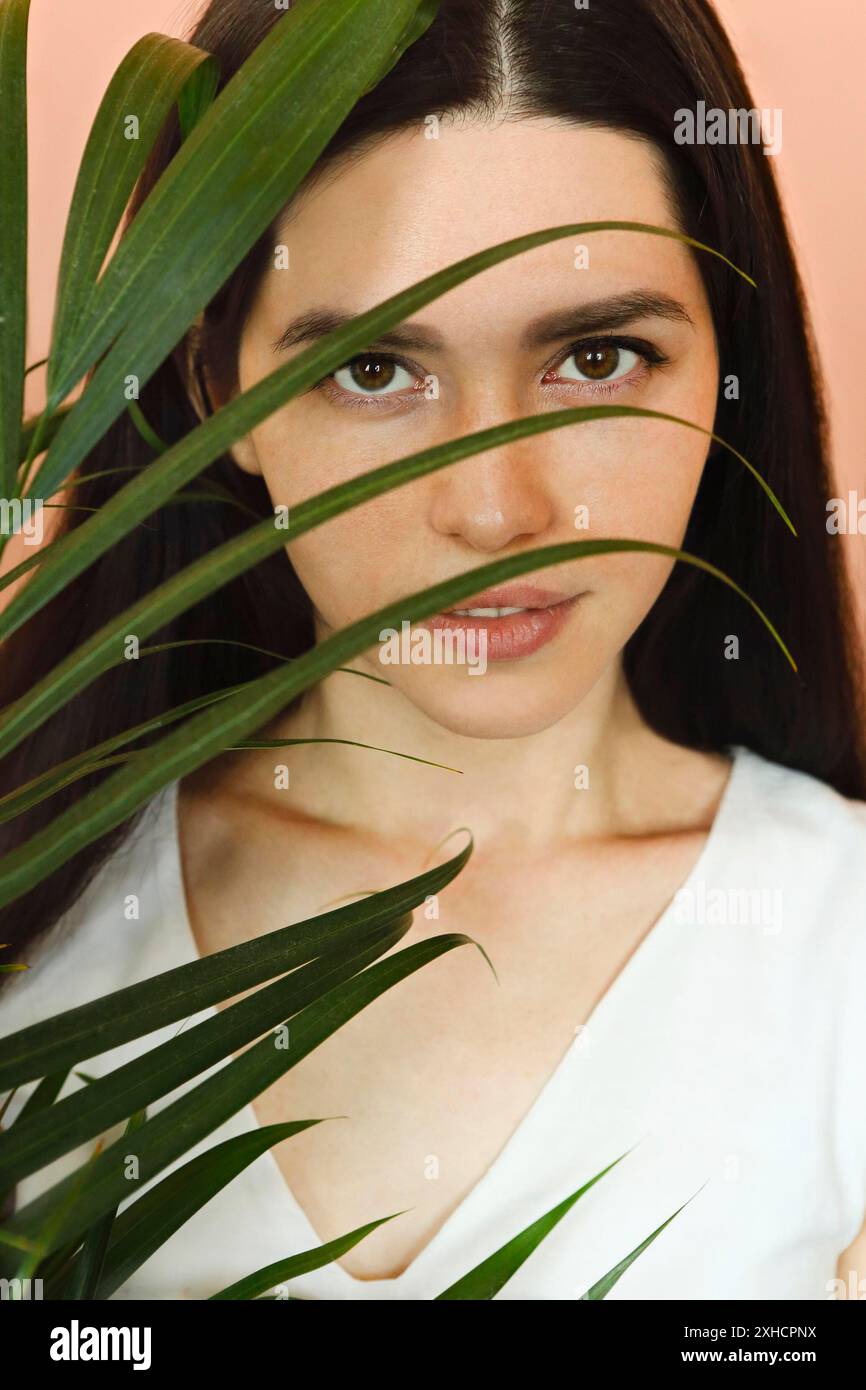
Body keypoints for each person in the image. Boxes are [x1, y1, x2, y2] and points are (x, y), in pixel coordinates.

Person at [2, 0, 865, 1300]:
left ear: (721, 370)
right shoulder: (34, 909)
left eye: (595, 355)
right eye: (369, 369)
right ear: (211, 389)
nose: (493, 509)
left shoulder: (835, 951)